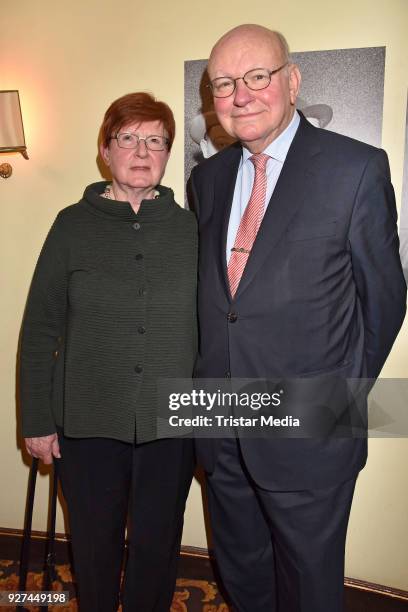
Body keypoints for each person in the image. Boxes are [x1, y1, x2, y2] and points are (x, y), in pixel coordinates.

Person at [188, 24, 406, 612]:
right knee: (241, 569)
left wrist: (337, 399)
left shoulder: (355, 169)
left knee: (309, 583)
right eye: (224, 84)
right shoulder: (206, 180)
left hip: (310, 427)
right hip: (220, 421)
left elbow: (384, 302)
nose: (241, 95)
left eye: (257, 77)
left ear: (292, 81)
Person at [20, 92, 197, 612]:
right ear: (105, 149)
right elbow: (39, 331)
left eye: (156, 140)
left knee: (158, 547)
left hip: (173, 425)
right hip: (87, 422)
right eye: (128, 138)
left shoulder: (192, 228)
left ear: (168, 154)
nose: (142, 151)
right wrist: (36, 419)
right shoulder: (72, 225)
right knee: (93, 549)